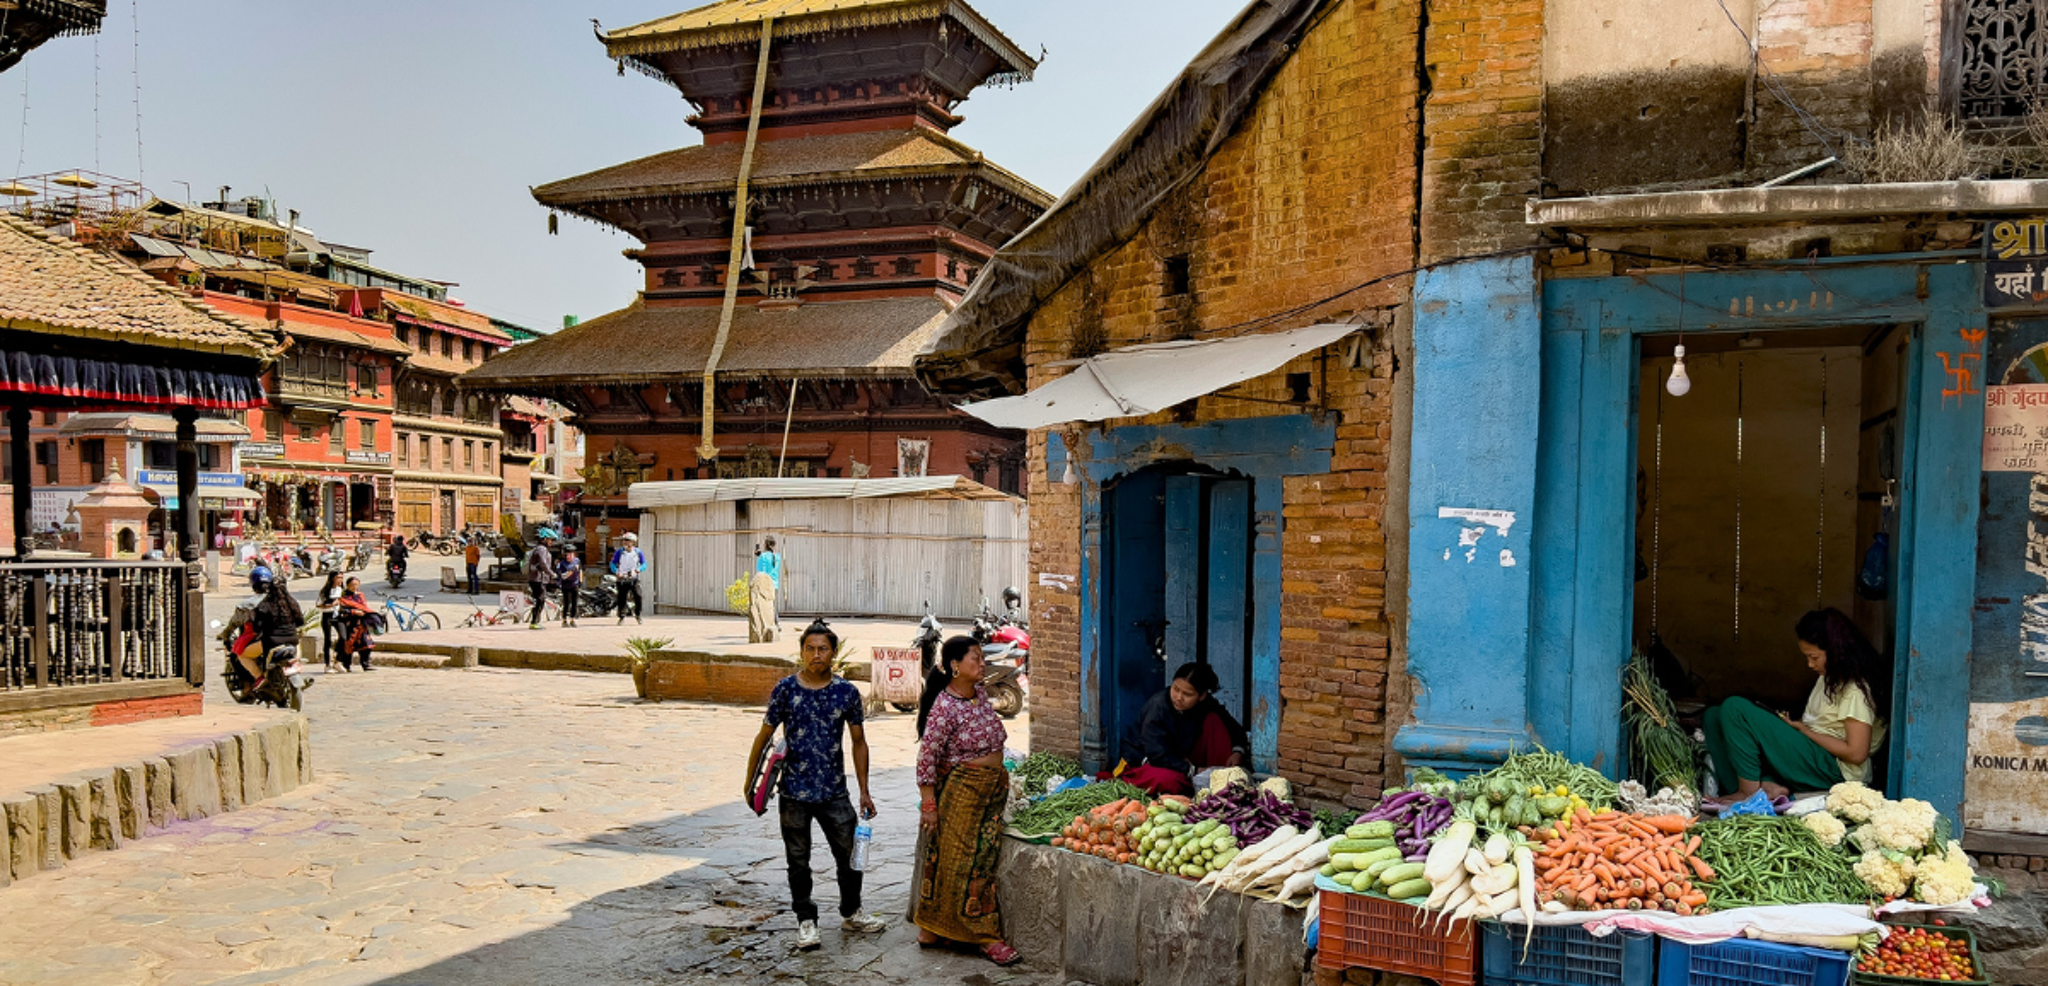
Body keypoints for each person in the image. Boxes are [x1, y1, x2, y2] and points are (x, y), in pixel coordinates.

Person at [741, 620, 886, 950]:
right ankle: (806, 921)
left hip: (835, 791)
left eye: (822, 649)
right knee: (797, 861)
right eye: (810, 649)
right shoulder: (786, 690)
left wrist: (864, 790)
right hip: (793, 792)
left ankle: (851, 912)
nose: (816, 655)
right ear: (802, 651)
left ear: (833, 653)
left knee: (850, 856)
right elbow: (764, 737)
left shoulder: (846, 693)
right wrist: (751, 784)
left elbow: (859, 742)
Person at [1704, 608, 1890, 805]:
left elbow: (1856, 753)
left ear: (1836, 651)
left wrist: (1806, 732)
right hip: (1813, 752)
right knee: (1714, 715)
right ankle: (1761, 786)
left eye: (1814, 657)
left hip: (1835, 768)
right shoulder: (1829, 676)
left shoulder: (1855, 690)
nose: (1809, 664)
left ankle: (1747, 793)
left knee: (1735, 708)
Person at [912, 635, 1022, 966]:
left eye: (981, 657)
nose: (982, 662)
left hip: (989, 789)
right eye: (975, 658)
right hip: (962, 792)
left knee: (974, 857)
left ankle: (932, 928)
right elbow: (927, 756)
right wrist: (929, 805)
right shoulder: (944, 706)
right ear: (954, 666)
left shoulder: (980, 696)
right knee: (966, 863)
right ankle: (985, 936)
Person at [1113, 662, 1252, 796]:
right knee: (1171, 782)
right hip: (1147, 760)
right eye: (1176, 689)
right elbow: (1156, 753)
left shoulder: (1207, 704)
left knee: (1214, 720)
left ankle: (1222, 778)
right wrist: (1192, 770)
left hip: (1182, 757)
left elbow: (1233, 727)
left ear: (1201, 696)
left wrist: (1237, 751)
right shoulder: (1158, 707)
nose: (1178, 698)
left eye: (1187, 694)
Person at [336, 576, 377, 671]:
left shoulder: (360, 595)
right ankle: (346, 665)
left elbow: (364, 606)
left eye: (356, 585)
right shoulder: (344, 596)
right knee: (349, 645)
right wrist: (354, 612)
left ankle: (365, 664)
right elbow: (341, 609)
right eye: (352, 585)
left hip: (361, 624)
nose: (354, 587)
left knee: (366, 644)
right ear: (348, 586)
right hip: (350, 624)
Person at [749, 536, 783, 643]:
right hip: (774, 585)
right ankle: (776, 623)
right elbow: (771, 562)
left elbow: (761, 572)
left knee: (762, 608)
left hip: (764, 585)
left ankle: (765, 626)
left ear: (765, 545)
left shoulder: (763, 557)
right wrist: (761, 555)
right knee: (771, 606)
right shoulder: (777, 557)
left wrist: (760, 556)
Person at [611, 532, 645, 625]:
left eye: (628, 541)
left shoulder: (638, 552)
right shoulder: (620, 552)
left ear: (633, 542)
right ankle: (621, 617)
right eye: (624, 541)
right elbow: (613, 563)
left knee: (638, 596)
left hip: (634, 578)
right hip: (622, 578)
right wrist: (616, 571)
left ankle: (638, 615)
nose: (626, 543)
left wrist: (638, 570)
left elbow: (644, 564)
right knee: (622, 598)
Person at [525, 535, 556, 629]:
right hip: (538, 579)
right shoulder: (541, 549)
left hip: (538, 578)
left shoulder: (539, 549)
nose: (551, 542)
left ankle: (535, 621)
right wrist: (551, 573)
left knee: (539, 600)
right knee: (540, 599)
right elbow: (543, 563)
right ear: (544, 539)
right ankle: (534, 622)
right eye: (550, 540)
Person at [316, 571, 344, 671]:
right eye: (338, 577)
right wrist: (331, 604)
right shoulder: (325, 591)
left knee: (343, 637)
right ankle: (327, 664)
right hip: (327, 615)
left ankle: (338, 660)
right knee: (327, 640)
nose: (340, 580)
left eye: (341, 577)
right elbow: (318, 604)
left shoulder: (341, 590)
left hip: (338, 616)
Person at [557, 547, 584, 628]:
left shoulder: (577, 561)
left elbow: (580, 570)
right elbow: (563, 576)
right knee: (566, 603)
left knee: (575, 603)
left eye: (571, 554)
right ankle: (564, 620)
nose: (569, 556)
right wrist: (572, 571)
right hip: (566, 585)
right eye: (567, 555)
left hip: (575, 584)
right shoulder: (562, 564)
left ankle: (573, 619)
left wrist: (580, 581)